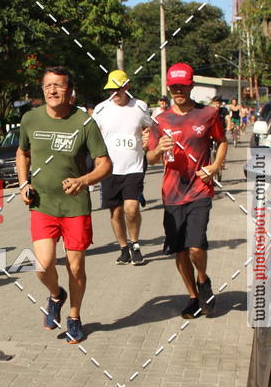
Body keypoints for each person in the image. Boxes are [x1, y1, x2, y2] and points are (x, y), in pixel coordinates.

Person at [16, 66, 112, 344]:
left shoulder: (84, 122)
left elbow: (105, 164)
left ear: (70, 91)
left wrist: (84, 180)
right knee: (43, 266)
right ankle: (57, 295)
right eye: (48, 86)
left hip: (75, 207)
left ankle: (74, 316)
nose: (53, 91)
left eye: (59, 86)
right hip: (42, 205)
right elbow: (22, 154)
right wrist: (24, 183)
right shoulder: (30, 119)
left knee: (76, 267)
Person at [147, 63, 228, 319]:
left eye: (182, 86)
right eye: (174, 87)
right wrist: (158, 148)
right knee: (179, 250)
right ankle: (193, 296)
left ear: (191, 85)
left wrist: (215, 166)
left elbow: (222, 142)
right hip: (171, 194)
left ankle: (203, 281)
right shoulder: (159, 121)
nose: (178, 90)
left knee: (195, 246)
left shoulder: (207, 115)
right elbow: (149, 158)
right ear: (169, 88)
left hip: (200, 190)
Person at [93, 70, 152, 266]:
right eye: (110, 90)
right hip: (110, 169)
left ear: (127, 87)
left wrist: (147, 139)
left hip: (134, 166)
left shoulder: (140, 106)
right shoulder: (101, 109)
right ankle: (123, 248)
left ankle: (135, 245)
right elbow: (94, 137)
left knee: (132, 209)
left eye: (117, 89)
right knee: (116, 212)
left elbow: (150, 129)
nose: (114, 93)